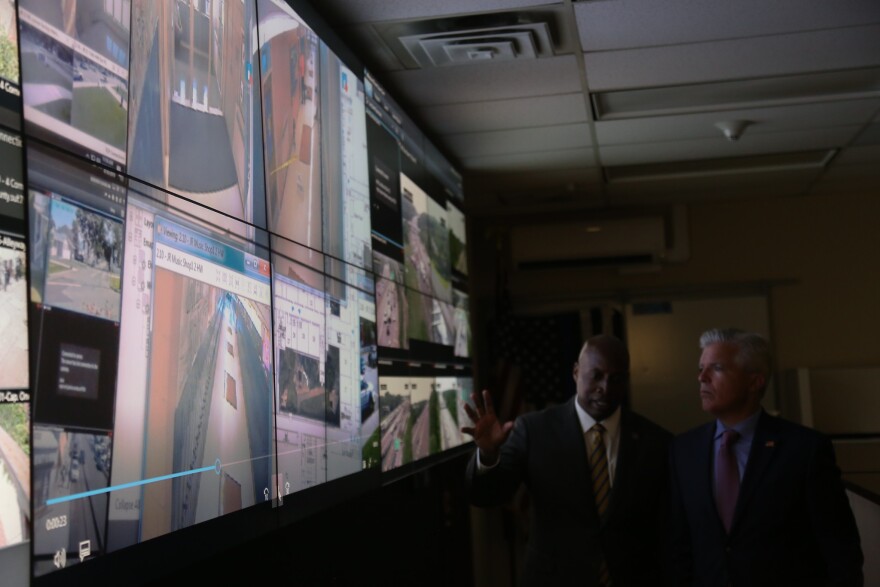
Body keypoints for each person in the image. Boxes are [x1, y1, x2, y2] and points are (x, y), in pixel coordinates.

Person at [462, 334, 672, 587]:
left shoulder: (656, 441)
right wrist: (488, 455)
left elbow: (668, 526)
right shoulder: (534, 430)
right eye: (596, 375)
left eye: (616, 379)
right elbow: (488, 496)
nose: (605, 387)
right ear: (575, 372)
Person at [669, 328, 864, 586]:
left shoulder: (804, 449)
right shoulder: (683, 450)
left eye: (716, 368)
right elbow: (677, 547)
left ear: (755, 381)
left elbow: (840, 547)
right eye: (701, 368)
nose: (702, 378)